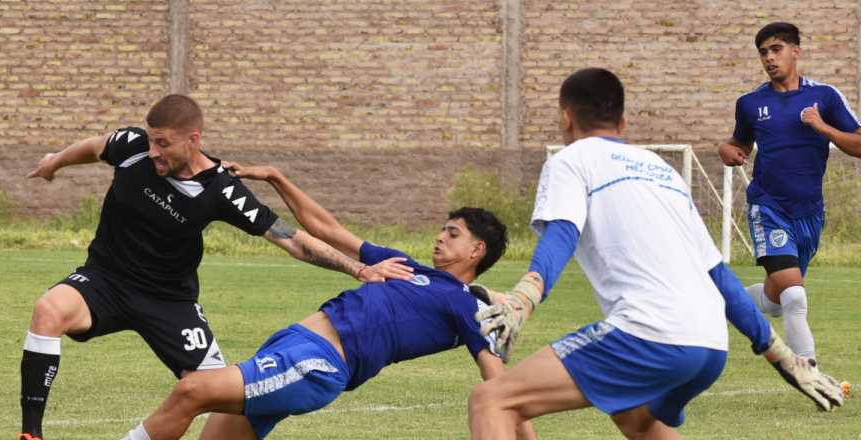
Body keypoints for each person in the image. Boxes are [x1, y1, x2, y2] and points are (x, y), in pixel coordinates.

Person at [467, 68, 844, 440]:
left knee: (491, 401)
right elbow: (719, 276)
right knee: (635, 419)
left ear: (566, 118)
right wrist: (780, 354)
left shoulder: (572, 160)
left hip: (650, 335)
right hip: (710, 346)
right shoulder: (661, 169)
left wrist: (523, 299)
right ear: (623, 121)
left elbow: (562, 233)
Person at [18, 94, 410, 440]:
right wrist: (55, 162)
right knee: (48, 309)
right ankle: (31, 433)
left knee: (213, 391)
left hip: (169, 301)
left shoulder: (220, 189)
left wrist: (357, 269)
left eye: (163, 143)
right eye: (151, 139)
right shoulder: (133, 145)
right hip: (105, 280)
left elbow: (289, 237)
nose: (153, 150)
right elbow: (93, 146)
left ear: (193, 140)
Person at [118, 162, 524, 440]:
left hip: (318, 364)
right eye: (442, 229)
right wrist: (276, 177)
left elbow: (501, 387)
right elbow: (327, 228)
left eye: (453, 233)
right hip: (286, 344)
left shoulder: (465, 305)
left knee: (193, 391)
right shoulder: (404, 266)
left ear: (477, 251)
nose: (440, 236)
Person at [718, 22, 861, 362]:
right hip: (768, 207)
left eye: (776, 49)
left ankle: (714, 302)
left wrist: (822, 127)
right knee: (794, 297)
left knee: (776, 300)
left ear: (796, 51)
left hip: (809, 213)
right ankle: (808, 372)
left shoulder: (824, 97)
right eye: (763, 52)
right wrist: (728, 150)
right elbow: (739, 142)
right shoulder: (750, 103)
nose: (769, 57)